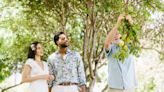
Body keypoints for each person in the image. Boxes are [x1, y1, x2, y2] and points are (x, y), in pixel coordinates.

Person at [104, 14, 137, 92]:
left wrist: (130, 22)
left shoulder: (128, 46)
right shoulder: (110, 48)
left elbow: (135, 38)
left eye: (117, 33)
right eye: (113, 33)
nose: (115, 35)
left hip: (130, 87)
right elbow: (106, 43)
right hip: (114, 88)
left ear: (121, 35)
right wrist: (118, 23)